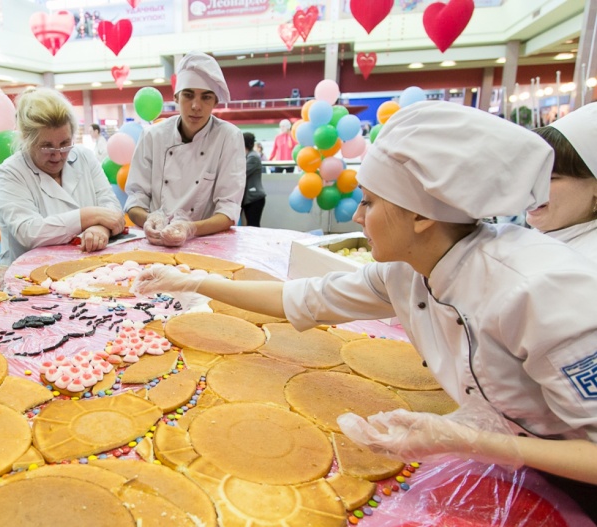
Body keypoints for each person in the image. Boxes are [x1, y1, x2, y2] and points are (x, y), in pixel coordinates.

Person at [132, 102, 597, 514]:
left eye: (369, 203)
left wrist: (473, 441)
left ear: (421, 216)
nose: (356, 216)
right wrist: (193, 280)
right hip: (521, 463)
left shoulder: (538, 291)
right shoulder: (409, 270)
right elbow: (302, 298)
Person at [124, 51, 246, 247]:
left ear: (215, 101)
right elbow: (135, 199)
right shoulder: (153, 136)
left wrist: (190, 229)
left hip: (205, 243)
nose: (196, 106)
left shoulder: (228, 137)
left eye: (206, 97)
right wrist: (150, 220)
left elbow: (228, 210)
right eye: (188, 95)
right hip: (155, 241)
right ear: (176, 97)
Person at [0, 87, 124, 266]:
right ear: (26, 140)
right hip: (29, 271)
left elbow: (111, 208)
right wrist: (89, 215)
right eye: (47, 147)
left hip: (86, 266)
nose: (57, 155)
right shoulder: (12, 171)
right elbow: (29, 232)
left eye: (65, 144)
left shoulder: (84, 157)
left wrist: (100, 228)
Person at [528, 102, 597, 263]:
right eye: (530, 175)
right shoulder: (537, 237)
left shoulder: (587, 265)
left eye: (550, 178)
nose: (530, 187)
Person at [242, 132, 266, 227]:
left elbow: (241, 173)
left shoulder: (253, 157)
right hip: (250, 199)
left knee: (253, 226)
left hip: (254, 198)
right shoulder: (248, 156)